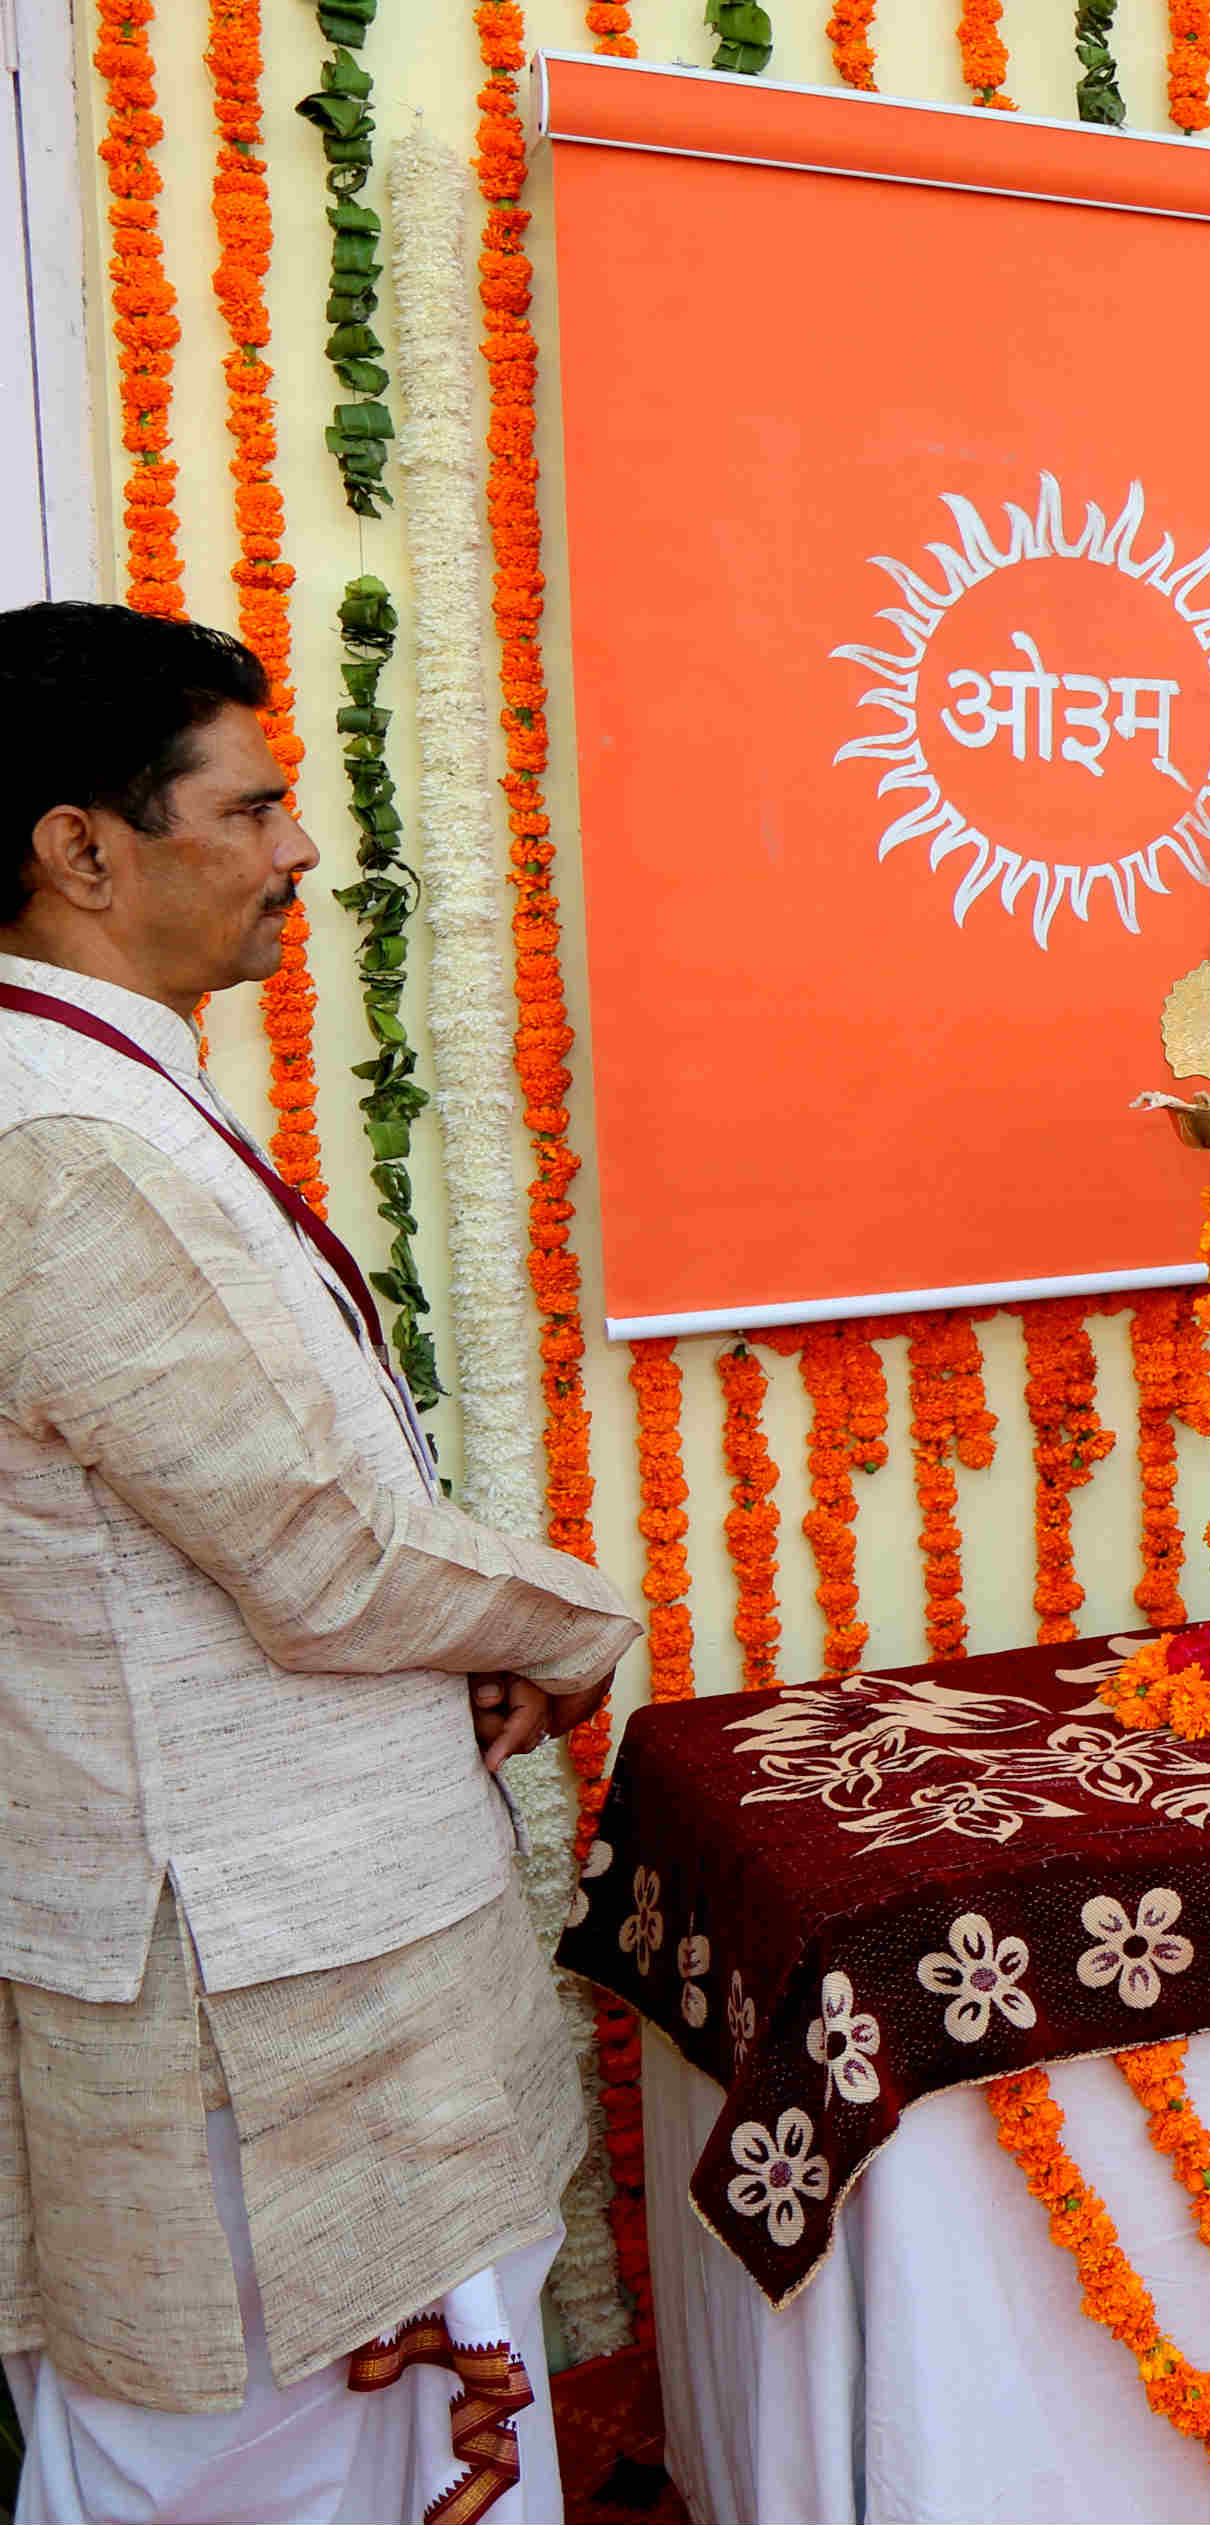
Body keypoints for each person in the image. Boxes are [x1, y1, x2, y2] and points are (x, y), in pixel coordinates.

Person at [0, 601, 644, 2524]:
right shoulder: (68, 1144)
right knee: (262, 2452)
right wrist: (580, 1623)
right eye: (256, 805)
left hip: (264, 1932)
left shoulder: (96, 1091)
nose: (297, 852)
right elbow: (323, 1553)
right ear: (82, 846)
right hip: (255, 1969)